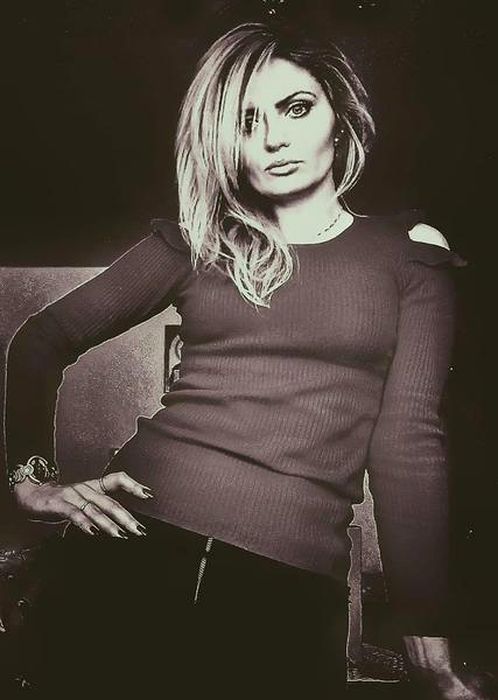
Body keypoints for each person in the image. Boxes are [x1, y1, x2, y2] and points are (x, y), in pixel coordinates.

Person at [2, 20, 484, 700]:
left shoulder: (408, 252)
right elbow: (41, 338)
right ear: (224, 142)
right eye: (246, 121)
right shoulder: (196, 243)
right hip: (130, 544)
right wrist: (32, 481)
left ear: (340, 116)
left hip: (286, 583)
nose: (273, 139)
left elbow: (408, 439)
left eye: (296, 107)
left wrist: (423, 623)